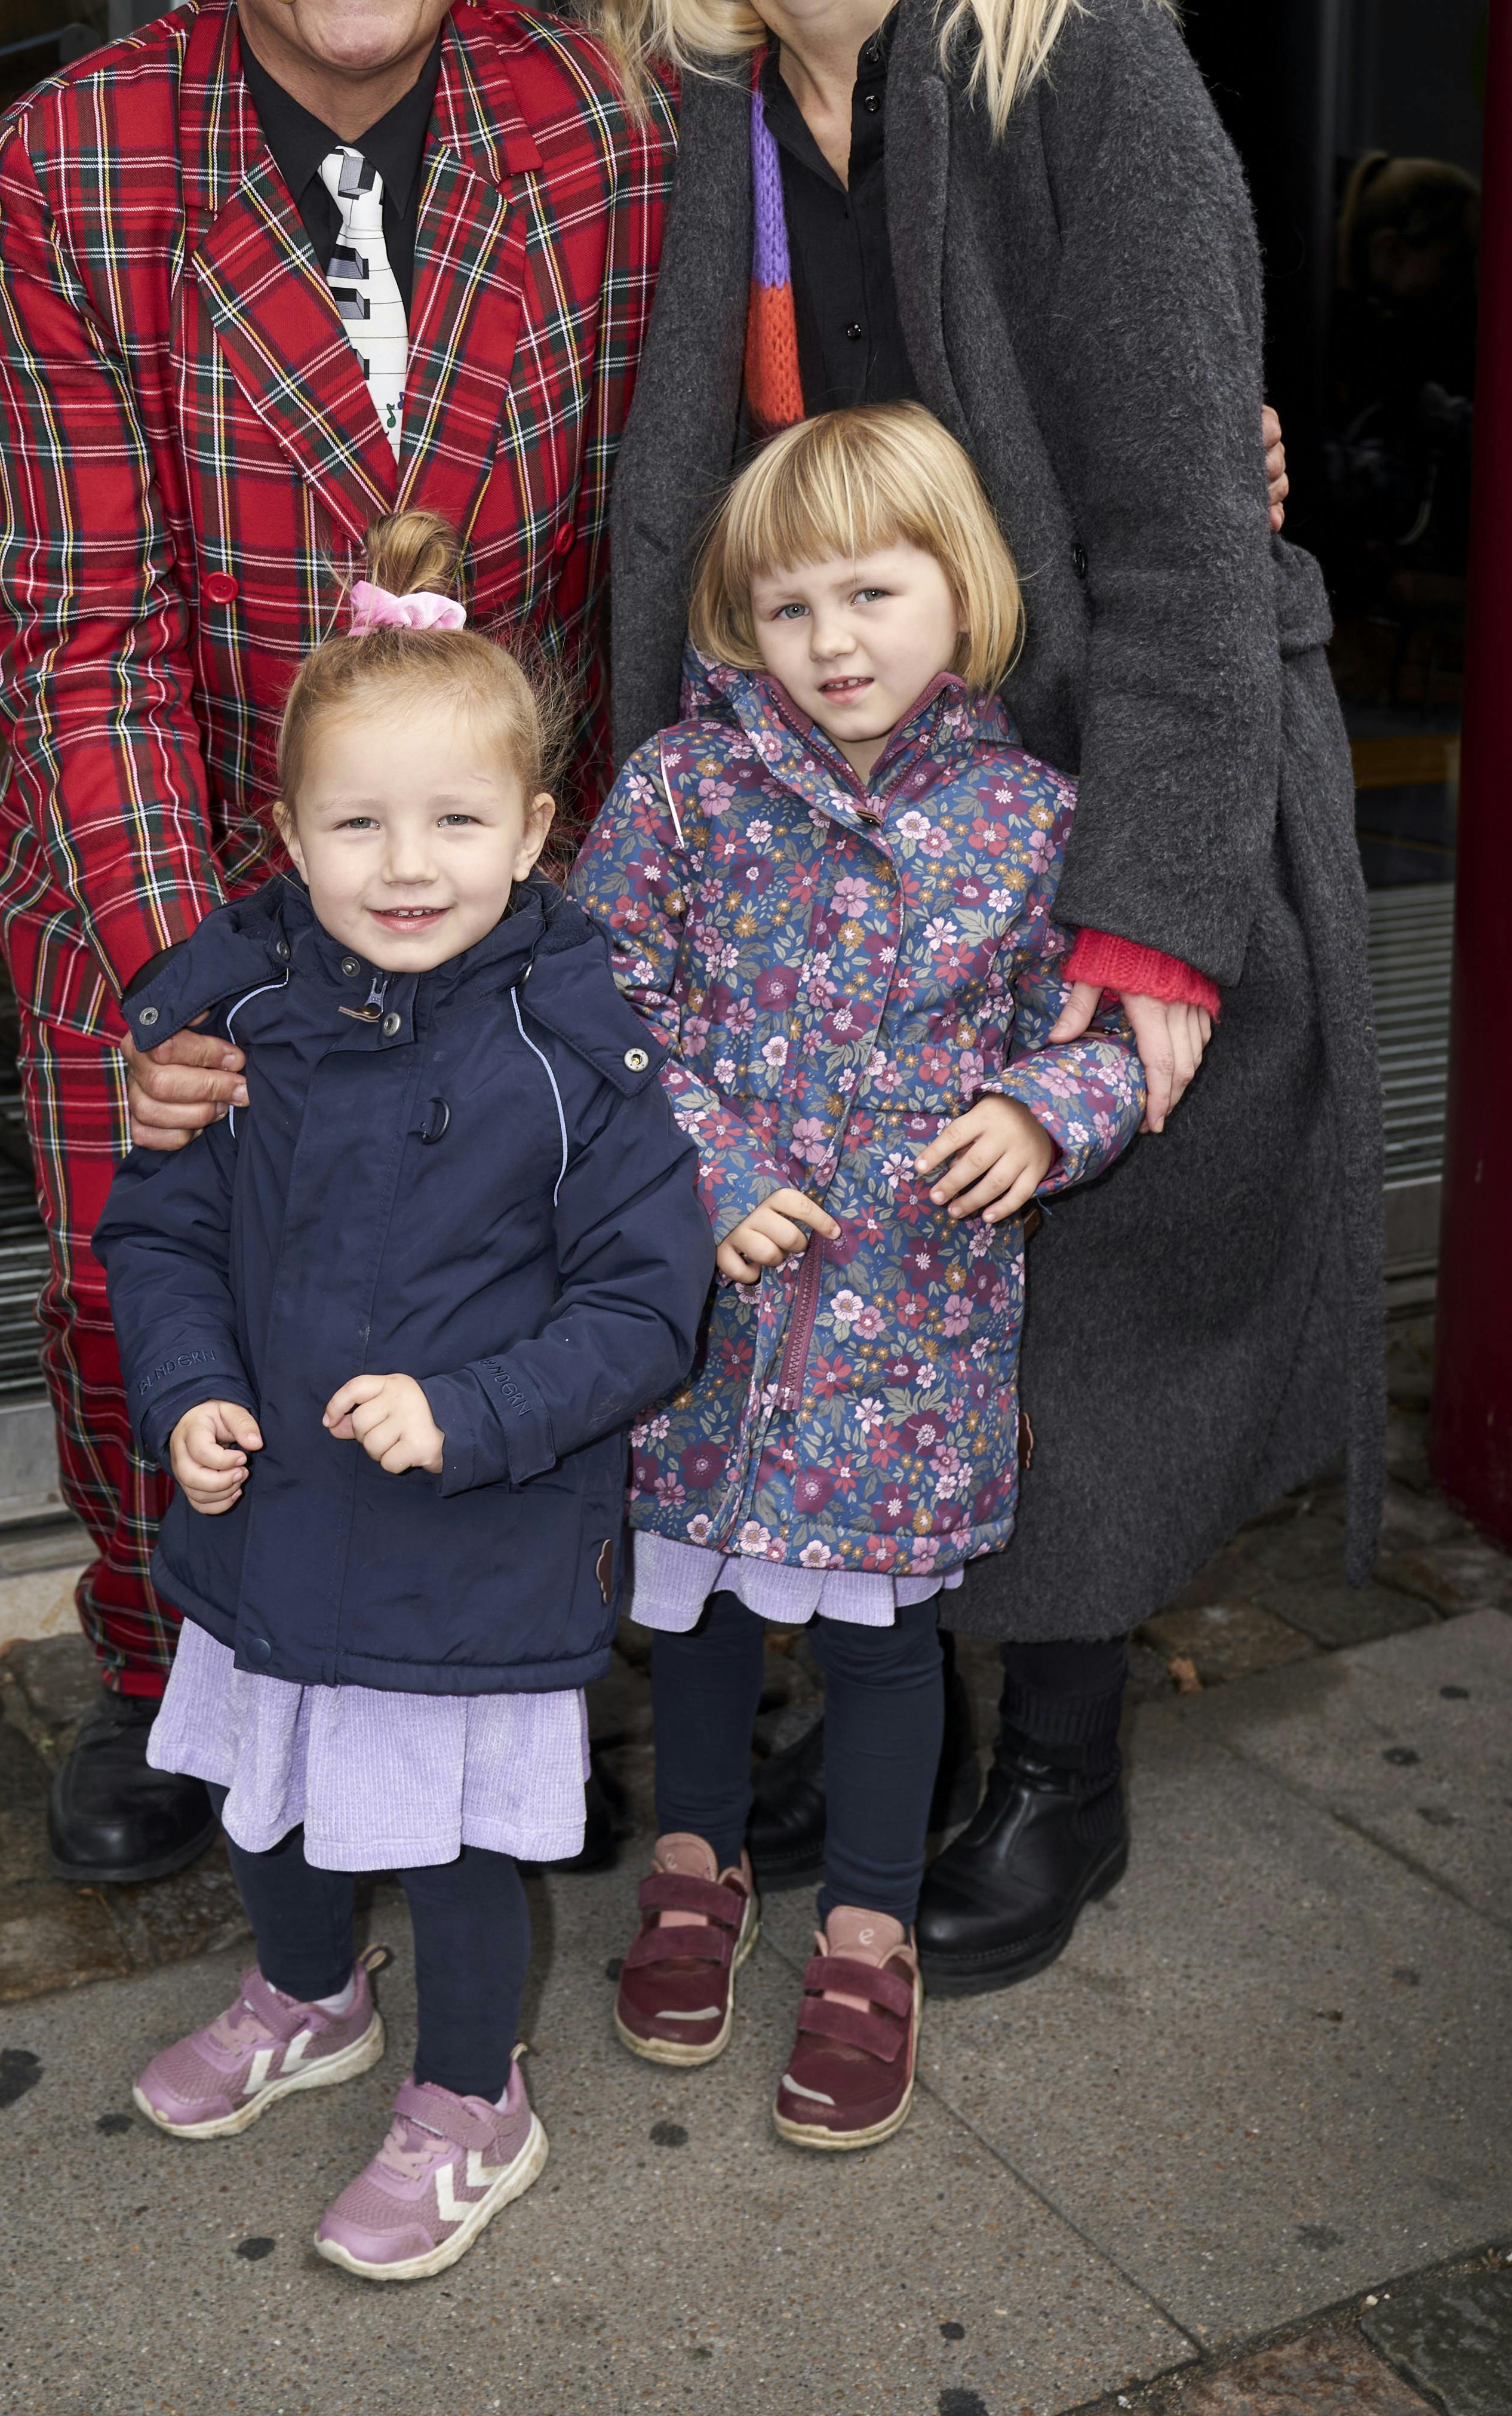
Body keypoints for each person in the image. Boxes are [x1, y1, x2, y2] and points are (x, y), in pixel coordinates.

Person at [582, 0, 1384, 1994]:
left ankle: (1057, 1759)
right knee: (848, 1254)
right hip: (840, 791)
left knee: (1090, 1272)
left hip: (1127, 766)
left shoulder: (1080, 56)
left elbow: (1171, 530)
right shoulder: (705, 100)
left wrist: (1151, 931)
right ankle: (888, 1692)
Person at [0, 0, 672, 1886]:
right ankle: (151, 1661)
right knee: (140, 1290)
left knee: (522, 1301)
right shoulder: (68, 166)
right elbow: (75, 636)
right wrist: (199, 983)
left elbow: (759, 451)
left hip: (504, 869)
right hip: (165, 860)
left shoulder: (623, 127)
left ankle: (517, 1674)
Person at [95, 512, 711, 2277]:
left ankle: (469, 2098)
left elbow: (646, 1307)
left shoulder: (580, 1048)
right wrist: (188, 1394)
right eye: (357, 822)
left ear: (533, 831)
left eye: (455, 820)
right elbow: (164, 1233)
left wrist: (476, 1412)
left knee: (445, 1844)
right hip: (269, 1511)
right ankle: (305, 1994)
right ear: (288, 838)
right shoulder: (248, 1019)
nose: (407, 862)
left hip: (474, 1543)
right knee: (262, 1788)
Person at [574, 405, 1144, 2143]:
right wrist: (713, 1170)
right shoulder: (682, 785)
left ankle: (870, 1934)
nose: (832, 642)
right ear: (740, 622)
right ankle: (697, 1867)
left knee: (890, 1652)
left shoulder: (1032, 816)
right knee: (701, 1620)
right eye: (790, 606)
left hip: (912, 1323)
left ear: (958, 596)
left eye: (871, 595)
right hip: (708, 1318)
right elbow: (600, 1000)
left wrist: (1048, 1116)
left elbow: (1115, 1028)